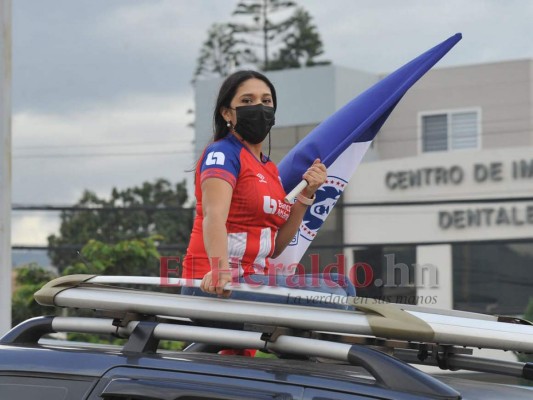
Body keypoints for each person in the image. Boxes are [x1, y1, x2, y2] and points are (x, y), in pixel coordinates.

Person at [182, 70, 353, 304]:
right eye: (247, 101)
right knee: (332, 295)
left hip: (253, 280)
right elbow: (214, 216)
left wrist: (306, 194)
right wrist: (220, 270)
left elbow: (275, 248)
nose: (258, 107)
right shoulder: (222, 153)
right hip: (214, 283)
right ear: (226, 113)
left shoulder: (269, 170)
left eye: (266, 101)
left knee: (342, 283)